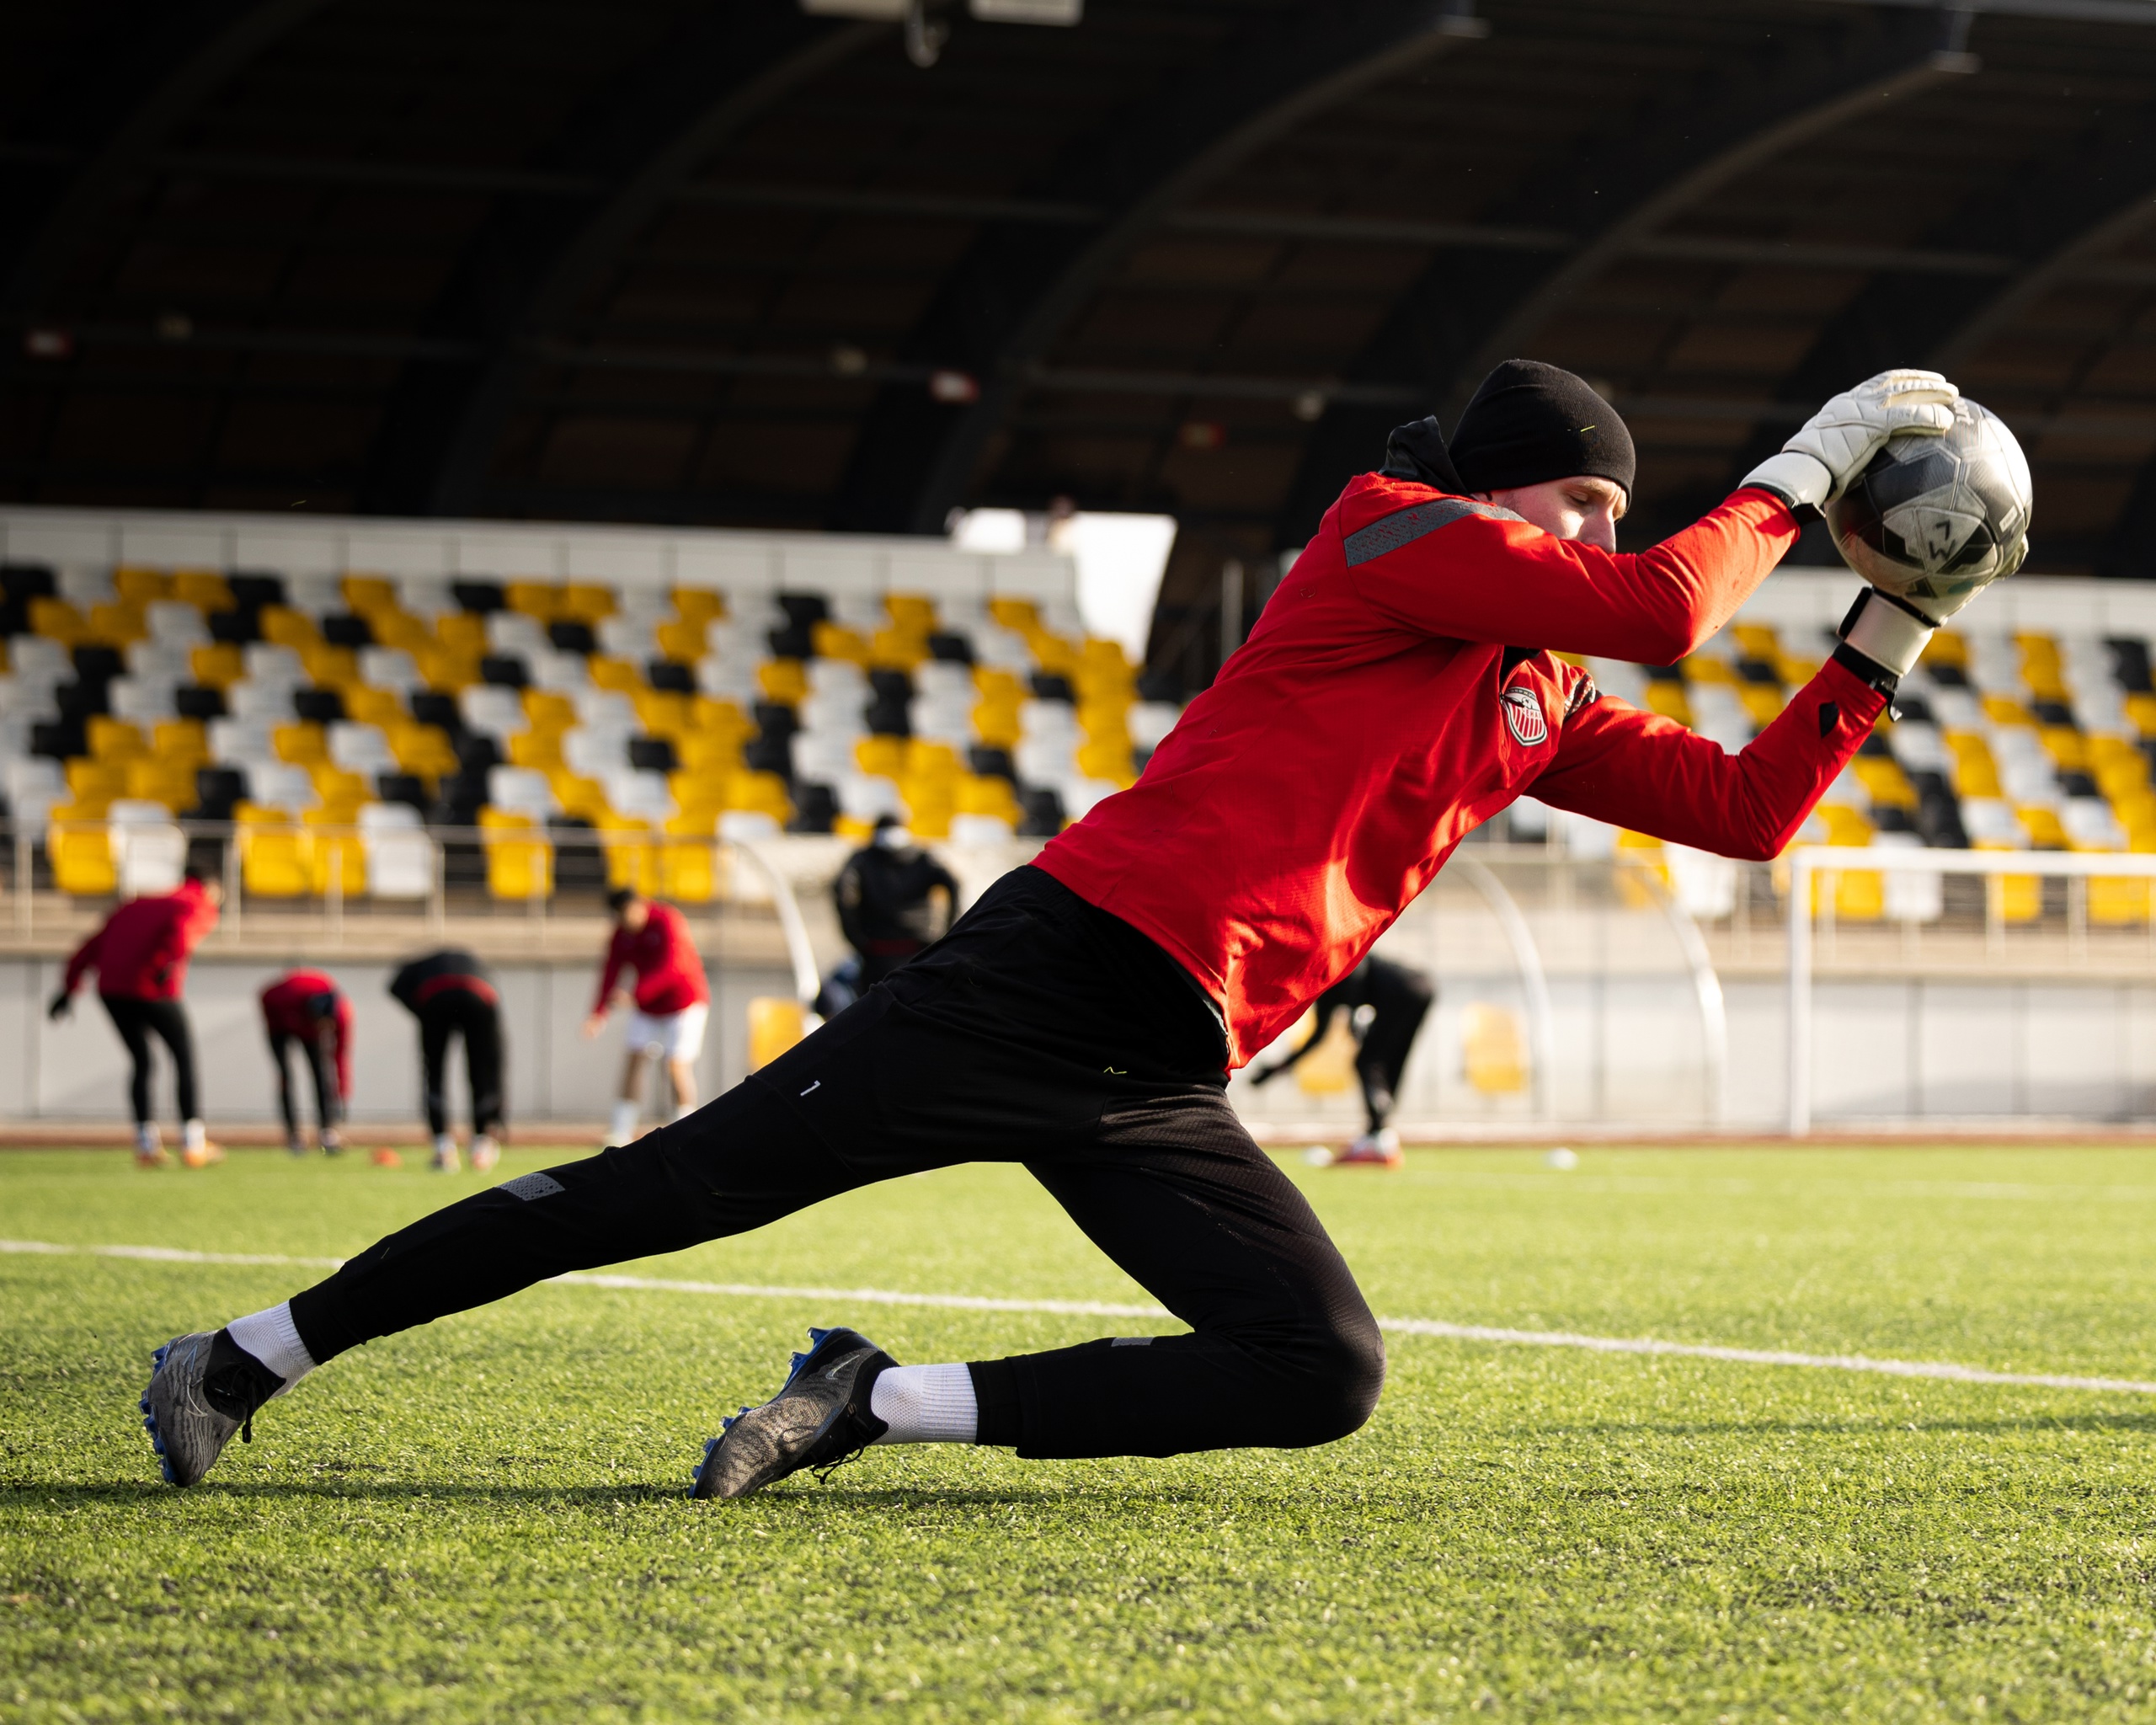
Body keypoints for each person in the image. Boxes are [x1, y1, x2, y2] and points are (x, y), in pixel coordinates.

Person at [141, 363, 1993, 1497]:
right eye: (1574, 499)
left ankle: (876, 1400)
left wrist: (1885, 635)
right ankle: (243, 1357)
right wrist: (1812, 460)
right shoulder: (1386, 528)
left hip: (1156, 1064)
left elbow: (1746, 812)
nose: (1592, 535)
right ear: (1490, 486)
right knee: (653, 1195)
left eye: (1606, 509)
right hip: (1041, 975)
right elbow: (1667, 611)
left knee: (1317, 1371)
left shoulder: (1526, 694)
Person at [51, 866, 222, 1168]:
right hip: (153, 987)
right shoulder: (195, 901)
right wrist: (169, 964)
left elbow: (93, 944)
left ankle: (146, 1144)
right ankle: (193, 1144)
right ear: (209, 887)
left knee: (142, 1062)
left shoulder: (134, 904)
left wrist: (69, 988)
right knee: (183, 1058)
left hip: (112, 990)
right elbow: (183, 931)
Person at [1246, 953, 1434, 1167]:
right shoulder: (1323, 993)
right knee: (1383, 1062)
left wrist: (1357, 1012)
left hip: (1405, 987)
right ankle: (1380, 1139)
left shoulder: (1326, 963)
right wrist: (1277, 1069)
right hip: (1418, 990)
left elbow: (1357, 960)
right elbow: (1316, 1039)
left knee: (1368, 1062)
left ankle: (1379, 1139)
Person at [583, 888, 710, 1149]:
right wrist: (599, 1013)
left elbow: (673, 968)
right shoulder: (622, 935)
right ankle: (620, 1131)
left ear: (640, 905)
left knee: (676, 1065)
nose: (627, 922)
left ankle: (685, 1129)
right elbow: (611, 971)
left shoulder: (667, 921)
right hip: (648, 1007)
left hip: (683, 1004)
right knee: (634, 1060)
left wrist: (636, 994)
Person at [387, 949, 504, 1174]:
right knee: (481, 1072)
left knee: (435, 1072)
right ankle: (481, 1146)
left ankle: (443, 1148)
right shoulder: (475, 961)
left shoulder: (414, 968)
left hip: (436, 997)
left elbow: (395, 988)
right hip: (480, 997)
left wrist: (423, 1013)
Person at [834, 815, 958, 987]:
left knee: (876, 1007)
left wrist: (854, 935)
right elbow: (954, 883)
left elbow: (843, 890)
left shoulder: (863, 859)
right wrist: (948, 931)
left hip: (876, 948)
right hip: (920, 948)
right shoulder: (922, 857)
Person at [259, 969, 352, 1156]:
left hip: (306, 1024)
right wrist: (287, 1025)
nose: (325, 1029)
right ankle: (293, 1134)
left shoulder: (342, 1014)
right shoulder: (279, 997)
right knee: (285, 1074)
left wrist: (342, 1093)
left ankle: (327, 1131)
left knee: (320, 1072)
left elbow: (341, 1056)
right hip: (281, 1021)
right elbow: (265, 999)